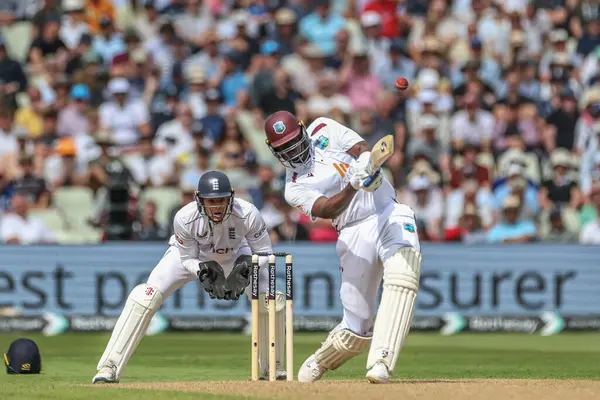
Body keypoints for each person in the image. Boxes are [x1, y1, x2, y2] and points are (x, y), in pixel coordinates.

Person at [263, 111, 422, 384]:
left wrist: (365, 164)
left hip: (387, 210)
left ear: (303, 131)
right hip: (352, 231)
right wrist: (353, 185)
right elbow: (327, 208)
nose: (292, 151)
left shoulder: (324, 127)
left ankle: (382, 361)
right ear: (274, 151)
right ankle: (320, 360)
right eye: (283, 149)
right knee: (356, 328)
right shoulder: (293, 187)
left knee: (403, 274)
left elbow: (362, 149)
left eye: (294, 142)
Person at [92, 170, 285, 383]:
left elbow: (266, 253)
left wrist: (247, 267)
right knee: (145, 297)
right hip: (193, 257)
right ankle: (108, 368)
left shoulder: (248, 213)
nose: (217, 207)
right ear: (199, 200)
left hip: (237, 254)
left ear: (231, 197)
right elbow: (186, 259)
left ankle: (273, 368)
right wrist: (204, 270)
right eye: (210, 202)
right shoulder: (185, 217)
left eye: (221, 200)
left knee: (271, 299)